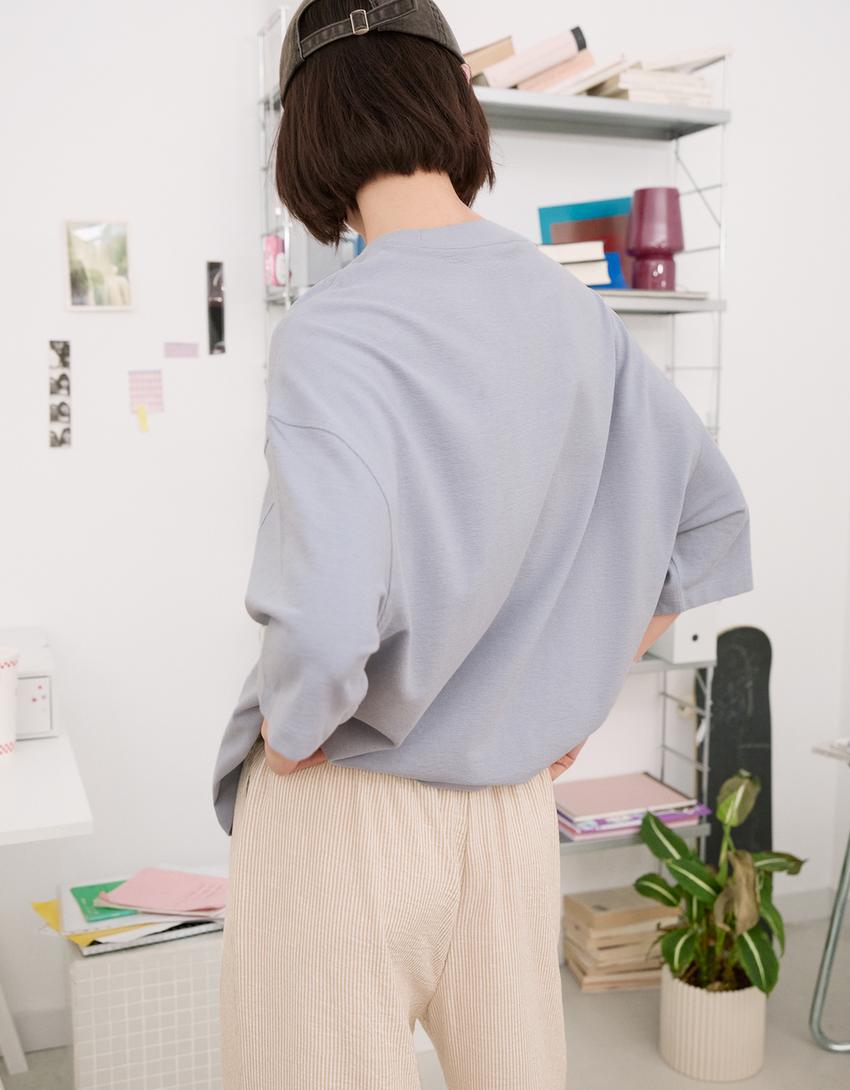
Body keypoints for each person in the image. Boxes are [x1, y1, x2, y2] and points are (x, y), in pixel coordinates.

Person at [212, 2, 754, 1088]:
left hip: (347, 803)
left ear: (306, 129)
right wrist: (573, 697)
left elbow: (325, 621)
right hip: (509, 816)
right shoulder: (578, 315)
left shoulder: (332, 329)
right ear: (455, 104)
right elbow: (709, 521)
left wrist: (291, 731)